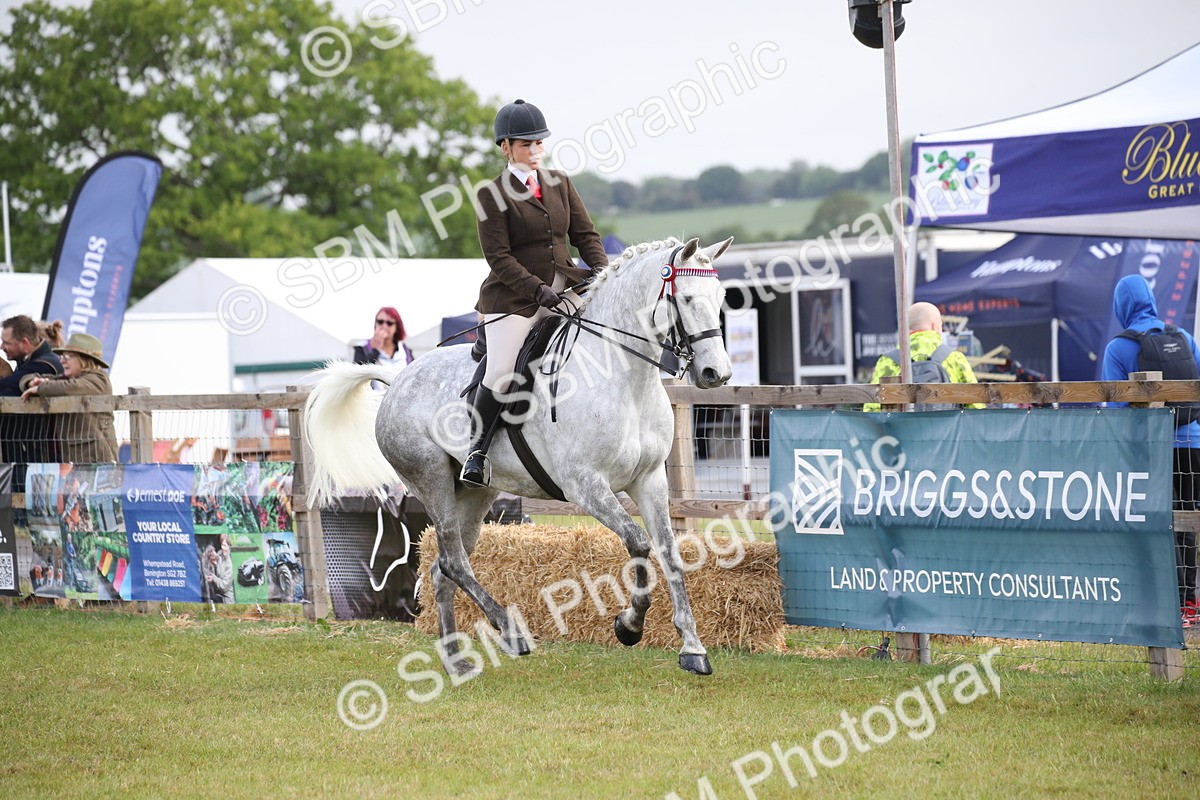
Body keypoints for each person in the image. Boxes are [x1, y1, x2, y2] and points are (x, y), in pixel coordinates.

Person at [461, 98, 609, 487]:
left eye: (539, 143)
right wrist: (538, 290)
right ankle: (476, 452)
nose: (535, 151)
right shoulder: (490, 195)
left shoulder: (560, 183)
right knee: (503, 370)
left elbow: (586, 236)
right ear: (506, 147)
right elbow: (499, 257)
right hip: (513, 297)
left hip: (564, 286)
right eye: (527, 144)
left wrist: (605, 274)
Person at [1101, 274, 1200, 628]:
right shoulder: (1184, 337)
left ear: (1121, 305)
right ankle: (1188, 603)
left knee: (1150, 522)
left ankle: (1156, 602)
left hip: (1148, 448)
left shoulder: (1119, 347)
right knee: (1187, 521)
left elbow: (1114, 408)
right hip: (1192, 444)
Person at [863, 302, 982, 412]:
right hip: (947, 433)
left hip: (899, 433)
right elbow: (976, 405)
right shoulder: (954, 358)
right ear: (935, 326)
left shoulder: (887, 361)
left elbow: (872, 408)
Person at [22, 332, 118, 463]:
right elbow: (28, 377)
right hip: (74, 461)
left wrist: (40, 387)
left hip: (96, 460)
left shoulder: (99, 380)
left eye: (68, 356)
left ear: (84, 359)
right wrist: (31, 382)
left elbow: (69, 387)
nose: (62, 360)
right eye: (61, 356)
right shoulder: (66, 379)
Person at [0, 315, 63, 487]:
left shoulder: (45, 364)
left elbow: (10, 386)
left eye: (6, 343)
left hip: (36, 455)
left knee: (29, 506)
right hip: (24, 451)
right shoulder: (28, 362)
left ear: (25, 343)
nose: (2, 347)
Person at [353, 306, 413, 392]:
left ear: (397, 327)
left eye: (389, 323)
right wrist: (375, 351)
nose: (384, 326)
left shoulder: (405, 351)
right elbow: (358, 377)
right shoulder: (362, 348)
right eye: (380, 322)